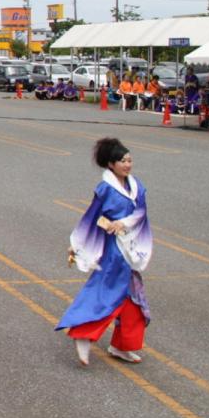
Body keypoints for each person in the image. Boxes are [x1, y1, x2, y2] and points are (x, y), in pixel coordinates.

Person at [56, 138, 152, 366]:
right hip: (114, 251)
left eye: (129, 160)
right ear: (111, 164)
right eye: (122, 161)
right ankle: (82, 334)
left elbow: (141, 213)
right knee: (105, 293)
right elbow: (92, 217)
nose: (127, 165)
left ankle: (123, 345)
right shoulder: (106, 189)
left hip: (130, 247)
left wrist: (125, 223)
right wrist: (79, 244)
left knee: (133, 302)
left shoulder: (136, 186)